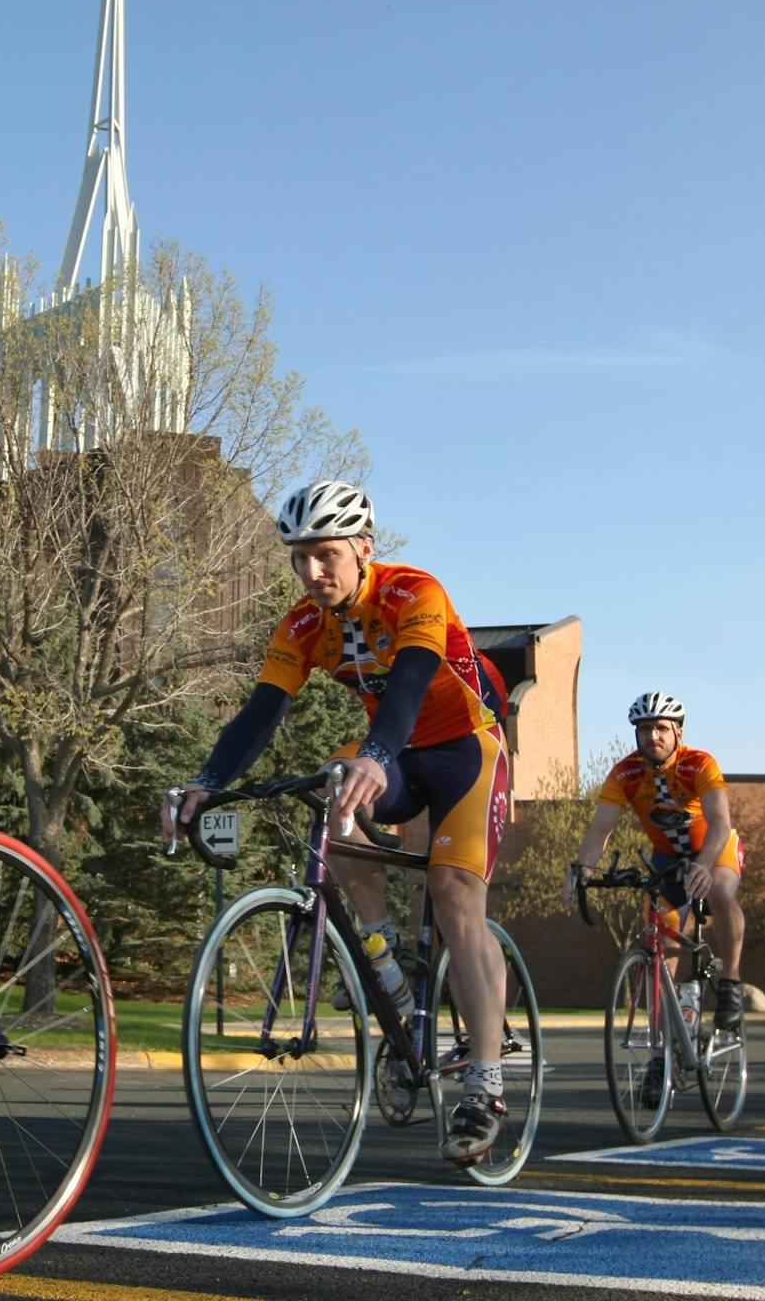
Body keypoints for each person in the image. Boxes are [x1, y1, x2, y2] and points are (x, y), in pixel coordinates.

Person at [164, 481, 513, 1165]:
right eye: (298, 558)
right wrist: (208, 782)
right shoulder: (301, 626)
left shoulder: (414, 592)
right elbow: (260, 714)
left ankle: (485, 1084)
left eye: (325, 555)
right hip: (397, 753)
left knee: (453, 895)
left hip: (469, 748)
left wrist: (379, 754)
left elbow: (411, 680)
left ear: (362, 549)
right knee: (332, 787)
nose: (311, 572)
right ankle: (392, 980)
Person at [568, 693, 747, 1066]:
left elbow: (720, 822)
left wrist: (703, 863)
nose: (653, 736)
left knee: (721, 892)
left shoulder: (699, 763)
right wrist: (583, 868)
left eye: (662, 728)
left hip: (713, 848)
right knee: (660, 946)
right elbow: (601, 829)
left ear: (678, 732)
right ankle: (665, 1049)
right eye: (645, 729)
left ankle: (730, 982)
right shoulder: (625, 773)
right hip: (666, 859)